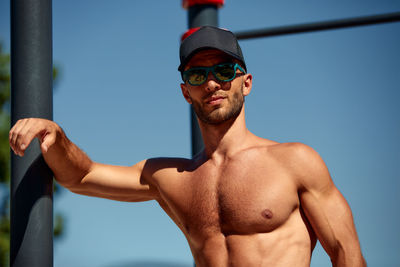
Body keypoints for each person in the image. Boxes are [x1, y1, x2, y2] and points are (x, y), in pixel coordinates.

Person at [9, 26, 366, 266]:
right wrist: (54, 134)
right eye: (197, 75)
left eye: (224, 71)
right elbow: (82, 176)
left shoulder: (296, 162)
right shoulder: (171, 177)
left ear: (247, 82)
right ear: (185, 91)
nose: (212, 84)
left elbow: (346, 253)